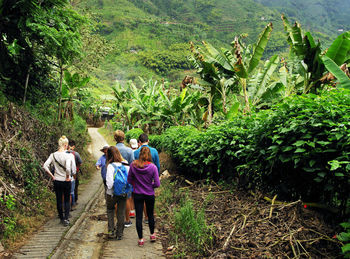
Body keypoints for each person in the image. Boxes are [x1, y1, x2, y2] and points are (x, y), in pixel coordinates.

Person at [127, 146, 160, 247]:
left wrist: (136, 185)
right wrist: (150, 186)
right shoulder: (153, 167)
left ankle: (141, 239)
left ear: (139, 154)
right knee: (150, 215)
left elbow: (129, 180)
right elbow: (157, 183)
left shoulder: (133, 165)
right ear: (149, 155)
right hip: (149, 194)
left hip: (138, 194)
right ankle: (152, 234)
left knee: (139, 217)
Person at [43, 136, 76, 226]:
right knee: (66, 199)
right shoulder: (68, 155)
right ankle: (66, 218)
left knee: (58, 199)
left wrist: (52, 176)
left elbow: (45, 166)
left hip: (57, 180)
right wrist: (68, 176)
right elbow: (69, 168)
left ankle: (61, 217)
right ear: (66, 145)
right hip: (66, 180)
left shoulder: (53, 155)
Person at [105, 146, 128, 240]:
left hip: (112, 194)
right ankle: (120, 233)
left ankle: (111, 231)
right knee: (121, 212)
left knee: (110, 210)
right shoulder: (126, 164)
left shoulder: (110, 166)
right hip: (123, 192)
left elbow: (109, 184)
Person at [114, 130, 135, 226]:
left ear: (115, 138)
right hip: (127, 177)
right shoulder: (129, 151)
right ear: (124, 138)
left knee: (116, 199)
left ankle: (119, 220)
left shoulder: (112, 149)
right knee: (127, 198)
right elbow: (132, 165)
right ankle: (127, 220)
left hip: (115, 177)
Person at [67, 140, 82, 206]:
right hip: (74, 172)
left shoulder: (64, 153)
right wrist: (77, 168)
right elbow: (80, 163)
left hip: (65, 173)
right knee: (74, 187)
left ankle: (67, 203)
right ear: (73, 146)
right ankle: (74, 201)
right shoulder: (76, 154)